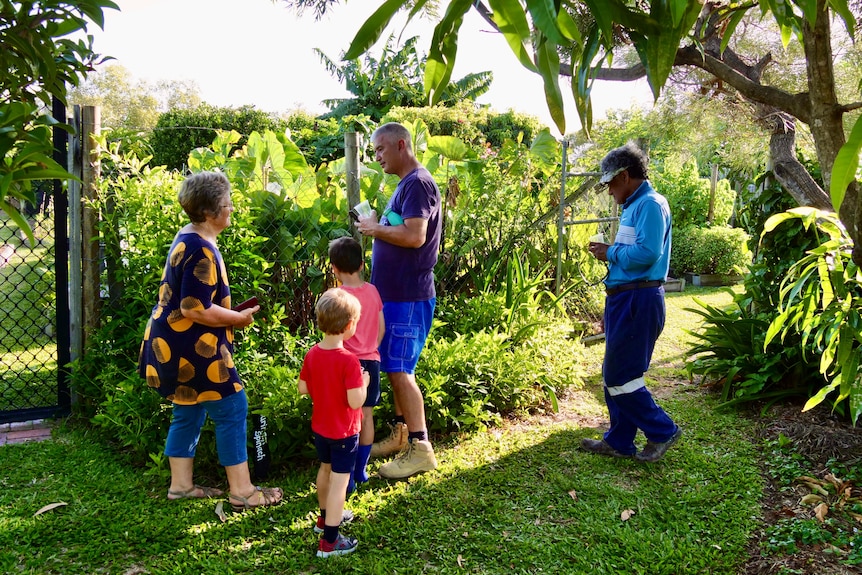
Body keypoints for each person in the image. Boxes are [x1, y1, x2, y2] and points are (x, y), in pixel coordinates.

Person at [138, 171, 283, 510]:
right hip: (194, 346)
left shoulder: (187, 236)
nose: (231, 209)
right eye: (227, 204)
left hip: (173, 342)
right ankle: (243, 492)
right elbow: (194, 308)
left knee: (187, 410)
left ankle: (181, 486)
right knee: (233, 407)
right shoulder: (201, 248)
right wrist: (238, 318)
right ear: (210, 212)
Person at [583, 143, 682, 463]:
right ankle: (620, 440)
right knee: (617, 371)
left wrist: (609, 253)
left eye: (611, 184)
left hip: (639, 299)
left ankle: (662, 430)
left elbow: (648, 254)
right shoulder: (636, 205)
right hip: (625, 298)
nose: (610, 192)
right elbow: (636, 252)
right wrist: (610, 251)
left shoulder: (651, 205)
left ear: (625, 176)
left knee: (620, 376)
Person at [355, 122, 442, 479]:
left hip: (408, 296)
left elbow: (415, 236)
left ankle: (421, 449)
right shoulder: (406, 186)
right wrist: (376, 223)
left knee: (402, 372)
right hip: (394, 296)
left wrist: (375, 230)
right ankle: (400, 435)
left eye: (380, 150)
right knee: (393, 367)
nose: (376, 157)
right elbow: (401, 229)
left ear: (401, 145)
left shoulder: (418, 183)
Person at [298, 288, 370, 558]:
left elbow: (303, 387)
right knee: (341, 481)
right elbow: (354, 402)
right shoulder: (349, 361)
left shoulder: (312, 354)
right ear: (350, 325)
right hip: (344, 432)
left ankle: (324, 519)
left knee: (325, 471)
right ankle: (330, 541)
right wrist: (363, 383)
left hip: (321, 429)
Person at [328, 236, 385, 492]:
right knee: (366, 416)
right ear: (362, 264)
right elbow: (381, 328)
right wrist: (370, 348)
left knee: (345, 417)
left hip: (344, 362)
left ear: (333, 269)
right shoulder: (373, 291)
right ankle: (361, 470)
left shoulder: (335, 296)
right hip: (371, 361)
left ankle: (346, 473)